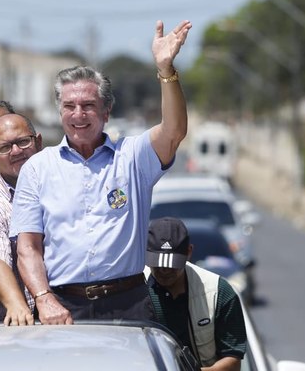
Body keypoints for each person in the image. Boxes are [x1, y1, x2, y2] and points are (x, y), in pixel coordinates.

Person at [12, 19, 192, 324]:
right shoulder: (37, 168)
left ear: (106, 112)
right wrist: (43, 299)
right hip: (63, 307)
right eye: (69, 106)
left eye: (88, 105)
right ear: (59, 112)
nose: (78, 115)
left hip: (128, 304)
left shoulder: (132, 157)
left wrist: (165, 70)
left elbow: (174, 130)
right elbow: (28, 247)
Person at [145, 217, 246, 371]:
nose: (164, 270)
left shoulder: (218, 292)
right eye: (157, 263)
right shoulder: (134, 290)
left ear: (189, 253)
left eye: (172, 264)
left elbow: (232, 359)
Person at [0, 113, 43, 325]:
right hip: (23, 325)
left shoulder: (61, 187)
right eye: (5, 147)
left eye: (23, 142)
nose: (16, 151)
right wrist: (18, 306)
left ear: (38, 142)